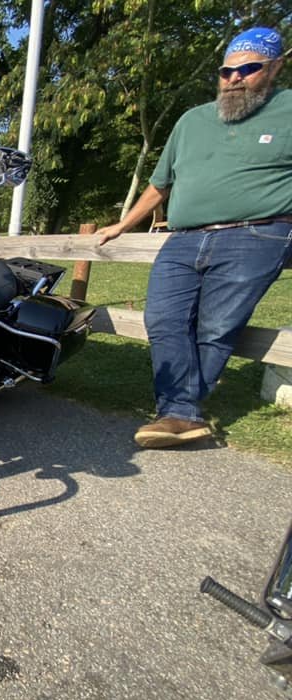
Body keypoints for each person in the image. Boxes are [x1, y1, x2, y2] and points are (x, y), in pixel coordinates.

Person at [97, 27, 291, 449]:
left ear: (275, 67)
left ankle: (178, 412)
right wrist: (122, 224)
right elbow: (160, 184)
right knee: (163, 318)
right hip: (183, 237)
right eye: (226, 71)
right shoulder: (192, 121)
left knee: (216, 326)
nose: (234, 78)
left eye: (249, 69)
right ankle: (182, 410)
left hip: (257, 234)